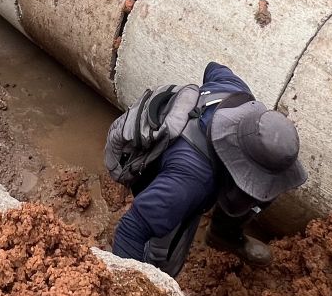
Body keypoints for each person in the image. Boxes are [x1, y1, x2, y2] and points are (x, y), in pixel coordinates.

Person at [110, 61, 307, 277]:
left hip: (190, 163)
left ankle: (223, 235)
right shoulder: (190, 182)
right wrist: (131, 293)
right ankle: (158, 268)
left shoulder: (236, 91)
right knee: (164, 261)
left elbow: (213, 68)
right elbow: (130, 231)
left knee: (259, 194)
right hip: (155, 167)